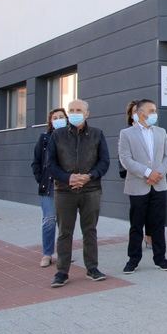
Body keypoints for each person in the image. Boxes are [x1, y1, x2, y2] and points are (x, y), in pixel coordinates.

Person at [47, 99, 110, 287]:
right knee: (64, 232)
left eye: (78, 110)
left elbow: (104, 161)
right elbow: (50, 164)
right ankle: (62, 272)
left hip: (91, 190)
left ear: (87, 114)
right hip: (64, 191)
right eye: (71, 110)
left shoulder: (97, 134)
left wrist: (89, 176)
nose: (75, 113)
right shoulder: (57, 136)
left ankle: (92, 268)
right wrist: (68, 178)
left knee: (89, 231)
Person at [119, 99, 167, 273]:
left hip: (159, 185)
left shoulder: (161, 132)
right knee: (136, 224)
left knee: (158, 223)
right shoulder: (126, 133)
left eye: (155, 110)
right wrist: (148, 173)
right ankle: (133, 260)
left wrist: (158, 173)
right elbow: (126, 159)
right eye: (151, 110)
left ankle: (160, 258)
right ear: (141, 113)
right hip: (138, 185)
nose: (154, 113)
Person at [30, 107, 68, 267]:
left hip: (67, 186)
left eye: (61, 117)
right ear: (51, 122)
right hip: (49, 186)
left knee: (65, 222)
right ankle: (47, 253)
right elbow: (36, 162)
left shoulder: (71, 138)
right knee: (49, 220)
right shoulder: (44, 138)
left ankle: (63, 252)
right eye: (55, 117)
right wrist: (41, 179)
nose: (58, 119)